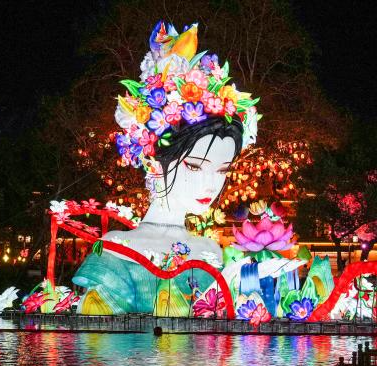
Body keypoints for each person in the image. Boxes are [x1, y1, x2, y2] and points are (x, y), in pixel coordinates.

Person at [73, 21, 260, 315]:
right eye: (194, 167)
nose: (210, 185)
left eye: (222, 170)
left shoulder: (211, 252)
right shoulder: (116, 248)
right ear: (152, 162)